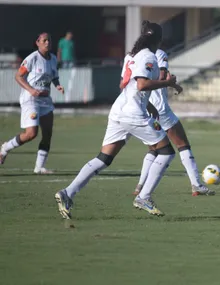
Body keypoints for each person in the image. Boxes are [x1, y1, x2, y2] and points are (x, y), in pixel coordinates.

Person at [54, 21, 177, 219]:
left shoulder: (134, 55)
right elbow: (142, 84)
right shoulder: (148, 56)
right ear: (159, 40)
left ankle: (68, 193)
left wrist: (149, 105)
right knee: (166, 152)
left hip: (120, 110)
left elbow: (128, 86)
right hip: (132, 113)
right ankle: (144, 196)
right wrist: (167, 83)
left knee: (103, 158)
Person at [129, 48, 215, 197]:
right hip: (160, 108)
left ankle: (139, 187)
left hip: (143, 107)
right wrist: (171, 82)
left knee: (153, 150)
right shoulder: (159, 53)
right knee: (182, 145)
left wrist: (174, 85)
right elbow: (162, 76)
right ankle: (196, 185)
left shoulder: (135, 55)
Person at [0, 33, 65, 173]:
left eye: (49, 40)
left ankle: (39, 167)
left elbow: (54, 77)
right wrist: (31, 89)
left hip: (46, 101)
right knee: (31, 133)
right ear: (38, 42)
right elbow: (18, 76)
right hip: (31, 100)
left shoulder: (53, 59)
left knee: (47, 134)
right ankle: (5, 148)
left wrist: (58, 85)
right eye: (44, 40)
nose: (47, 43)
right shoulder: (32, 58)